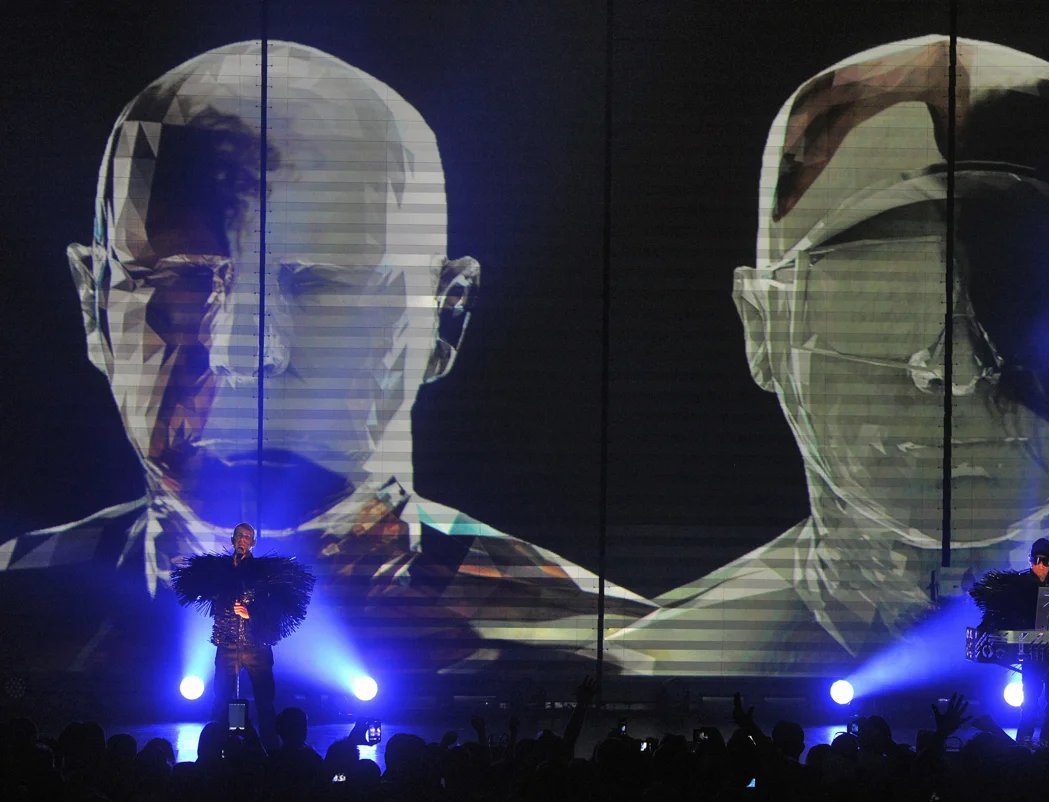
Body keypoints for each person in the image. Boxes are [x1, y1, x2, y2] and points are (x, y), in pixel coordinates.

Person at [0, 40, 651, 676]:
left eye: (316, 284)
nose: (241, 351)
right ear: (93, 307)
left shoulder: (599, 646)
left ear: (444, 316)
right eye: (176, 280)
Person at [602, 35, 1049, 676]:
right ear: (763, 327)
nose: (960, 373)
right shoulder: (657, 663)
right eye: (879, 306)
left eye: (1022, 297)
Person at [171, 522, 314, 746]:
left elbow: (276, 607)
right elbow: (196, 586)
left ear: (253, 542)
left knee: (264, 700)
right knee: (226, 698)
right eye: (239, 536)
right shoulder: (220, 572)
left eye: (247, 537)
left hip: (257, 646)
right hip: (228, 644)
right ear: (232, 540)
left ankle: (269, 743)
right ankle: (227, 740)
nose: (242, 540)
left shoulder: (263, 573)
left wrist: (251, 613)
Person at [969, 537, 1049, 745]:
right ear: (1029, 559)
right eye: (1036, 559)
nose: (1040, 564)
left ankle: (1046, 742)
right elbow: (995, 611)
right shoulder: (1018, 586)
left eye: (1045, 560)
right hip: (1033, 654)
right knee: (1031, 702)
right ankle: (1024, 742)